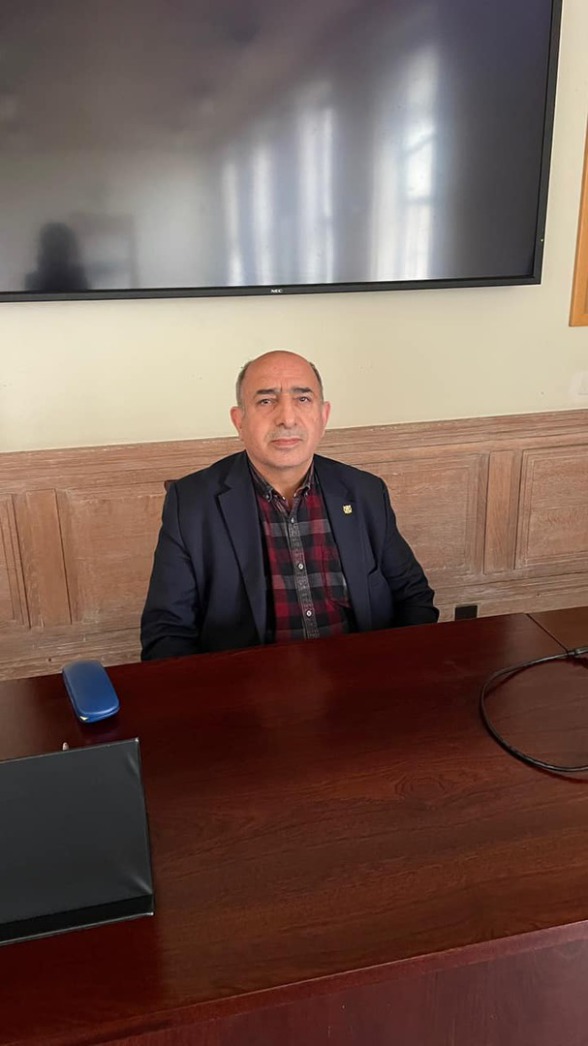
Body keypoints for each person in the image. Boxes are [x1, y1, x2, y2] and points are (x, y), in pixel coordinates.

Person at [141, 351, 438, 660]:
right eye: (266, 401)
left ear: (323, 417)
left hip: (361, 673)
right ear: (239, 420)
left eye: (303, 399)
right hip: (248, 683)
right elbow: (167, 632)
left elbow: (414, 597)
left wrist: (394, 671)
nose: (287, 418)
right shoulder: (192, 503)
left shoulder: (365, 492)